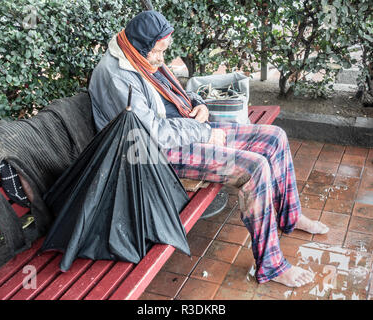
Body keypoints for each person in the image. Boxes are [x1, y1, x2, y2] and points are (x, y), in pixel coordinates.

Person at [88, 10, 329, 288]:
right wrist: (203, 131)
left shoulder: (138, 56)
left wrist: (196, 102)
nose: (162, 58)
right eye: (159, 51)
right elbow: (152, 134)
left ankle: (291, 214)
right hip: (148, 154)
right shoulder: (117, 76)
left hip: (184, 133)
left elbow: (171, 89)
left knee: (275, 137)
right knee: (254, 168)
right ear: (142, 46)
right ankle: (271, 265)